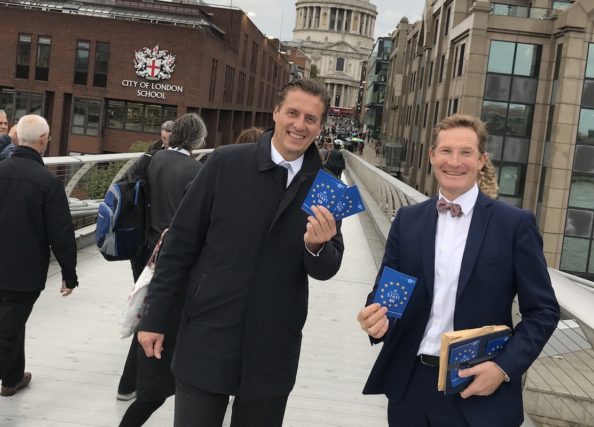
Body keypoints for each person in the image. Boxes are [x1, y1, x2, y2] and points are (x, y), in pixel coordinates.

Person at [137, 78, 344, 427]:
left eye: (311, 118)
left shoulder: (327, 187)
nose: (299, 124)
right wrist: (155, 317)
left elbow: (328, 268)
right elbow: (180, 244)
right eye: (292, 113)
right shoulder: (226, 163)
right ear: (276, 112)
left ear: (320, 127)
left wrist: (317, 246)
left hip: (273, 342)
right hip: (208, 330)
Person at [357, 113, 559, 427]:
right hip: (409, 387)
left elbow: (543, 310)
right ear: (432, 156)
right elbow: (386, 295)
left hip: (476, 388)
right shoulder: (408, 220)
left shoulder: (514, 225)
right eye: (446, 151)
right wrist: (375, 318)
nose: (455, 161)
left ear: (481, 160)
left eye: (466, 153)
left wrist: (502, 369)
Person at [117, 113, 206, 426]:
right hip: (170, 257)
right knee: (156, 315)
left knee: (146, 309)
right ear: (197, 139)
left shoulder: (152, 159)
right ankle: (140, 383)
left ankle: (129, 383)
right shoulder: (196, 170)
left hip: (143, 249)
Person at [0, 114, 77, 397]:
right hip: (25, 273)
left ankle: (12, 378)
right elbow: (61, 232)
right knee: (9, 327)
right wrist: (69, 274)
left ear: (17, 137)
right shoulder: (48, 183)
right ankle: (9, 374)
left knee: (11, 323)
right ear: (44, 140)